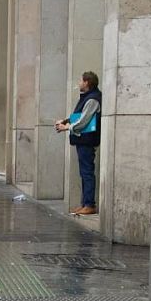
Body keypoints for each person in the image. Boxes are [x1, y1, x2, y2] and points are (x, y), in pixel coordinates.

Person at [56, 70, 103, 216]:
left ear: (87, 82)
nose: (79, 83)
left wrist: (67, 127)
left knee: (87, 172)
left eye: (80, 80)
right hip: (83, 140)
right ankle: (85, 203)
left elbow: (84, 120)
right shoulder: (87, 97)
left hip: (87, 140)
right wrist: (66, 120)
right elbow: (79, 116)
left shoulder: (93, 99)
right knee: (84, 172)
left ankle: (89, 204)